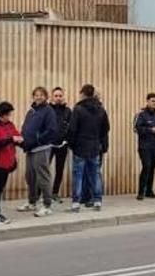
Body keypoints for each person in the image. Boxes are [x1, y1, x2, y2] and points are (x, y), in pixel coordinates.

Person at [67, 84, 110, 212]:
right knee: (95, 174)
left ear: (83, 94)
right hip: (95, 146)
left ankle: (76, 202)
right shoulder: (101, 109)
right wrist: (99, 141)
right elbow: (106, 128)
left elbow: (72, 129)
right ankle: (97, 201)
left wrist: (72, 144)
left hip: (80, 147)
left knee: (78, 175)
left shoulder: (78, 109)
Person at [18, 87, 58, 216]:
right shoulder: (31, 111)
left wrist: (37, 140)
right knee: (30, 176)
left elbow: (51, 130)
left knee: (43, 177)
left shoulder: (48, 111)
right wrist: (22, 139)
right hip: (30, 148)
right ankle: (32, 202)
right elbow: (26, 127)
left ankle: (47, 205)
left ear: (46, 97)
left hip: (41, 148)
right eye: (36, 95)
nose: (38, 97)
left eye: (41, 95)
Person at [134, 93, 155, 200]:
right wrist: (150, 130)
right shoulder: (141, 115)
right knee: (146, 167)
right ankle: (141, 192)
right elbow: (137, 128)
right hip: (145, 147)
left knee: (152, 168)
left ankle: (149, 191)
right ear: (147, 101)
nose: (154, 103)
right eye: (152, 101)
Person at [49, 87, 72, 203]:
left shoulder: (68, 111)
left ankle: (55, 193)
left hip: (62, 145)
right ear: (52, 97)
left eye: (60, 96)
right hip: (49, 145)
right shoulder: (48, 109)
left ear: (63, 96)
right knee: (44, 169)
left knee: (59, 170)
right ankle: (39, 193)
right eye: (56, 96)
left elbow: (72, 127)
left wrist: (66, 140)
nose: (58, 98)